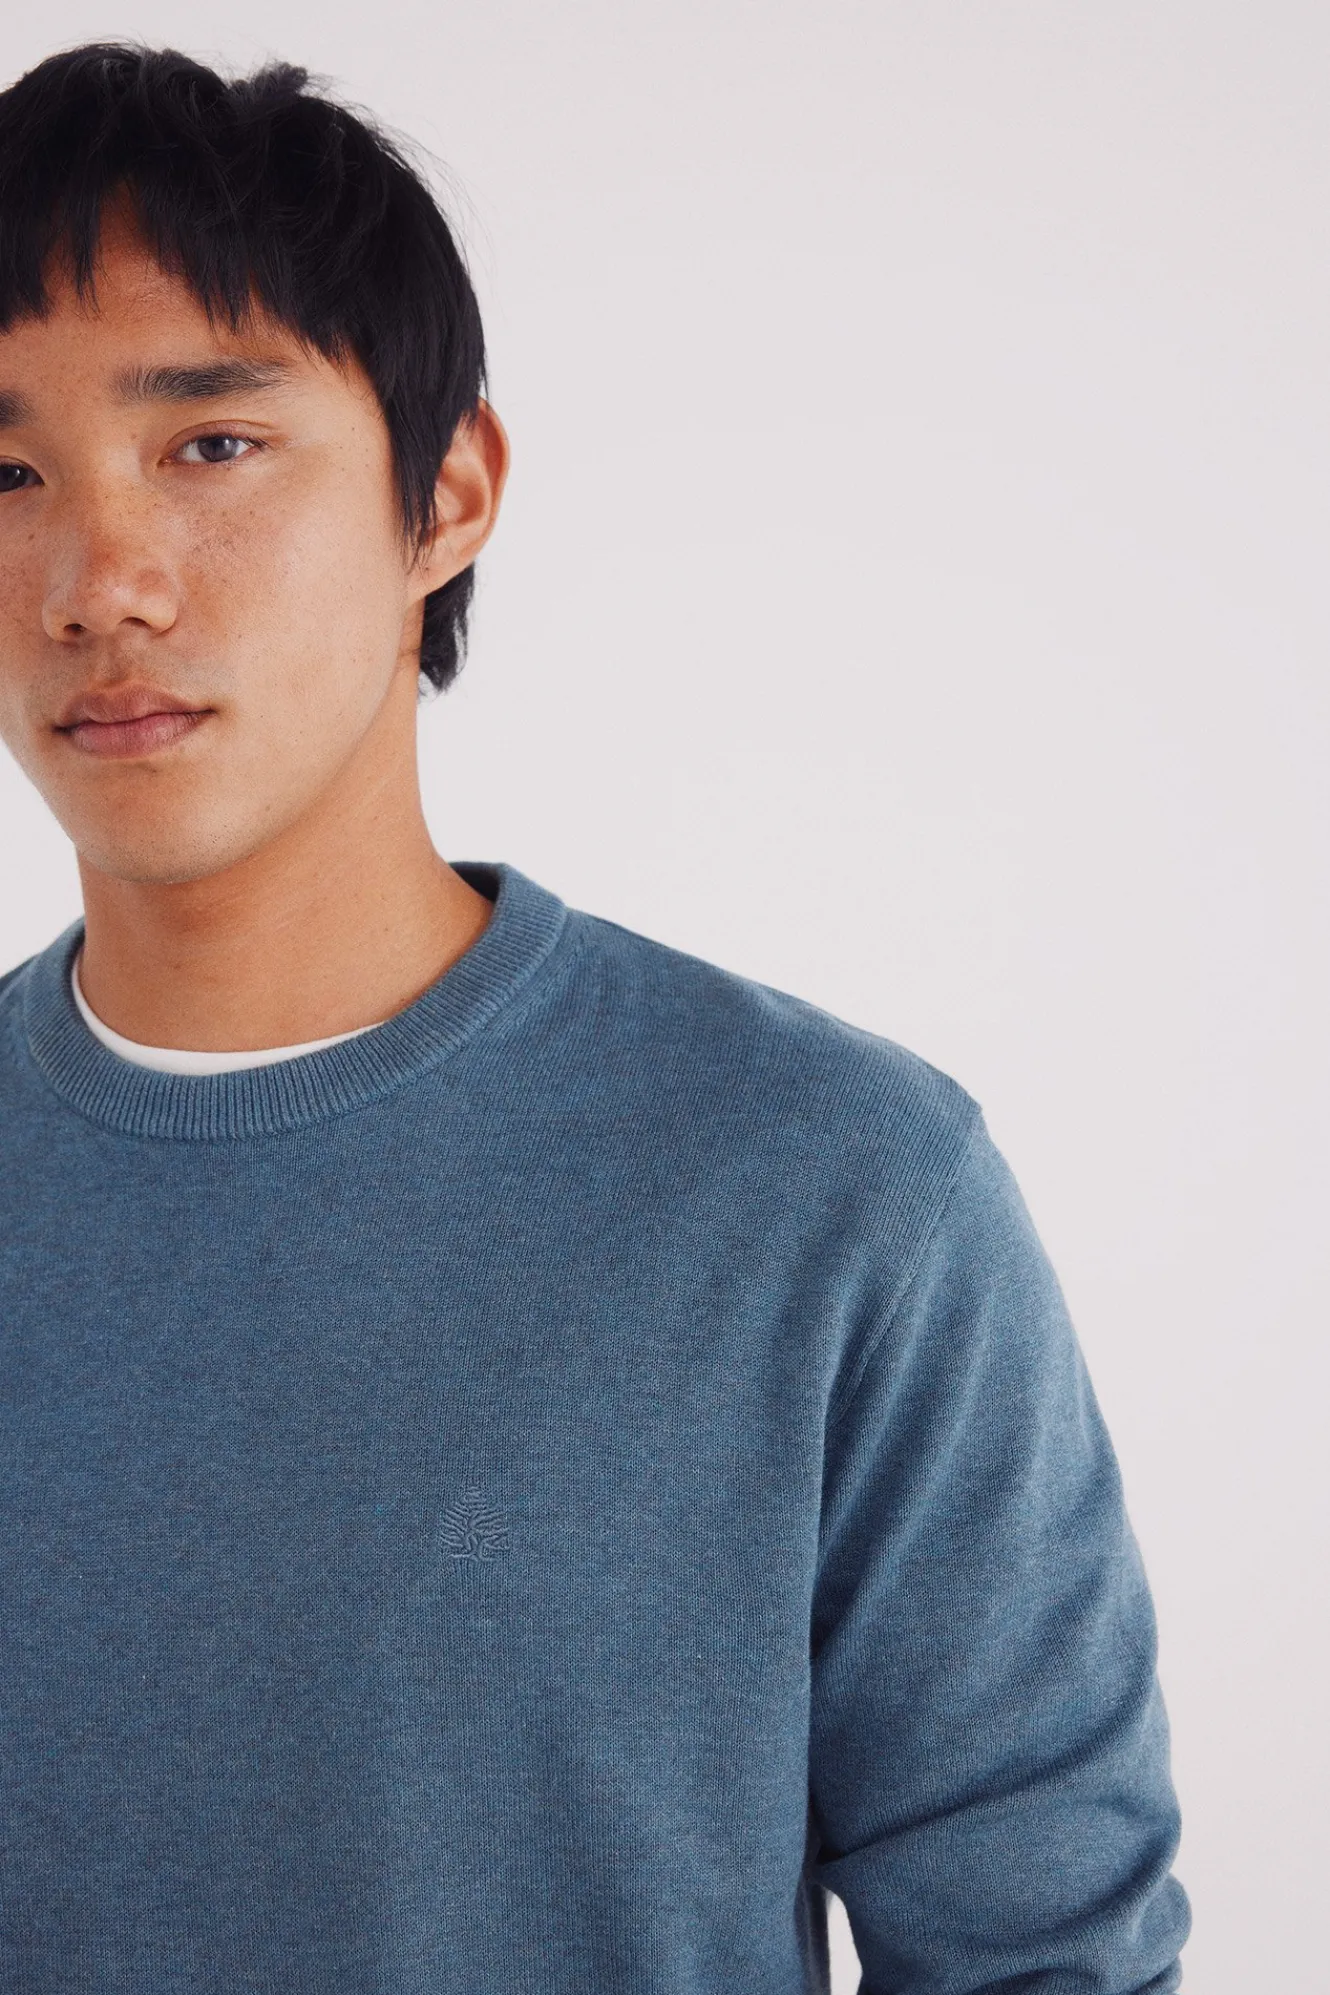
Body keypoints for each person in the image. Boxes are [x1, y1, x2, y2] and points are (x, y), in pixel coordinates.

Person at [0, 41, 1190, 1995]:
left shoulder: (831, 1191)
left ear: (446, 492)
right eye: (6, 473)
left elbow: (1033, 1955)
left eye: (209, 444)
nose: (95, 581)